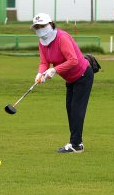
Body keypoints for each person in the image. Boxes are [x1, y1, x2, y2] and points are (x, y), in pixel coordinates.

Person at [31, 13, 94, 153]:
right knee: (70, 110)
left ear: (50, 24)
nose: (40, 29)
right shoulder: (42, 42)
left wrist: (54, 70)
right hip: (70, 79)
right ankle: (76, 142)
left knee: (77, 110)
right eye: (37, 27)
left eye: (42, 26)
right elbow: (44, 62)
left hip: (83, 75)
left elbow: (73, 60)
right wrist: (40, 73)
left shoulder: (62, 38)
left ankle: (76, 144)